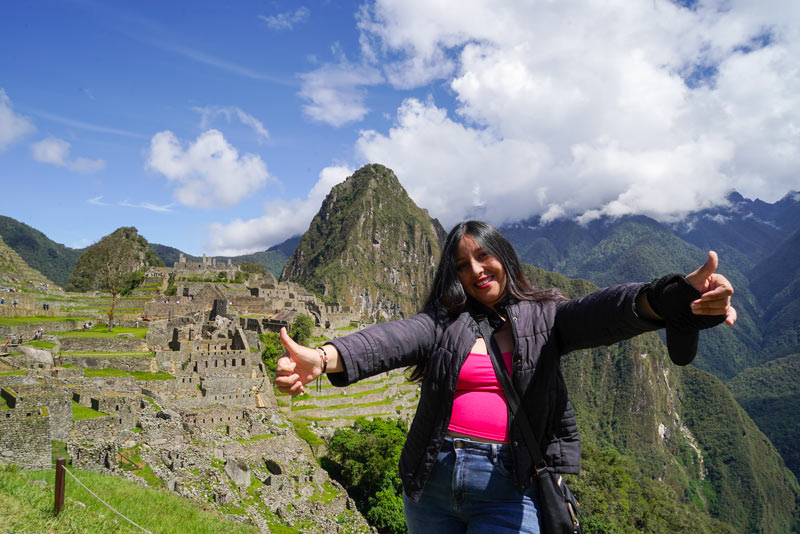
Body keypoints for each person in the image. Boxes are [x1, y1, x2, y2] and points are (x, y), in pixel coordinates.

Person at [275, 220, 735, 534]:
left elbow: (605, 311)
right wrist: (325, 356)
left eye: (482, 256)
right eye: (461, 265)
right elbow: (393, 339)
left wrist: (670, 298)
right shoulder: (443, 321)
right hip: (432, 482)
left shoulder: (547, 317)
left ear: (504, 256)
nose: (475, 270)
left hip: (508, 485)